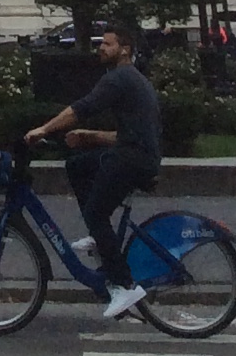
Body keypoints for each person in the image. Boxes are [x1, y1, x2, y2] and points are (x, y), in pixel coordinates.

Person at [25, 20, 162, 320]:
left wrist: (43, 129)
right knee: (76, 164)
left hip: (132, 159)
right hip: (137, 153)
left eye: (108, 44)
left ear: (125, 50)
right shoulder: (132, 78)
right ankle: (100, 238)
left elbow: (81, 108)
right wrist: (90, 136)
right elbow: (127, 133)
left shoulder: (119, 77)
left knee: (97, 213)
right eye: (101, 43)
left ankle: (124, 285)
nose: (101, 48)